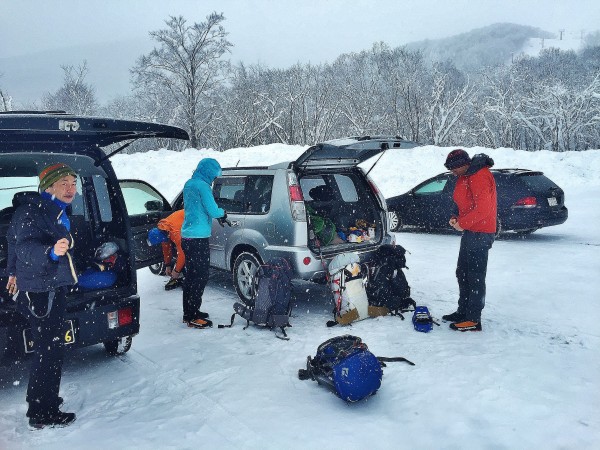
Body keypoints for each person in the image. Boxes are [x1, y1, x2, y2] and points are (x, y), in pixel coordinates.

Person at [7, 163, 79, 428]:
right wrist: (50, 252)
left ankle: (43, 400)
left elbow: (11, 241)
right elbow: (25, 248)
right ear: (49, 187)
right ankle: (42, 412)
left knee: (49, 348)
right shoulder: (33, 212)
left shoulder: (51, 210)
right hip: (41, 293)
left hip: (46, 286)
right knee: (49, 351)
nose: (71, 189)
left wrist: (11, 272)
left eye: (73, 183)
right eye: (64, 184)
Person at [442, 149, 497, 332]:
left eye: (453, 168)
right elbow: (462, 201)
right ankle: (463, 311)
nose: (452, 172)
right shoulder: (466, 176)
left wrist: (462, 223)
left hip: (480, 233)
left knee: (475, 277)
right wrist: (455, 216)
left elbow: (484, 209)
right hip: (471, 231)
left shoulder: (480, 176)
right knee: (462, 273)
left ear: (463, 164)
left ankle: (473, 319)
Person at [180, 158, 226, 329]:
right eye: (214, 176)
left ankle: (189, 312)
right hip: (198, 238)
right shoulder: (203, 186)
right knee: (200, 277)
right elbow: (213, 210)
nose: (214, 179)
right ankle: (193, 316)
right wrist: (223, 213)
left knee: (191, 276)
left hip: (187, 236)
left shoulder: (189, 184)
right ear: (208, 172)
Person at [147, 209, 186, 291]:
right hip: (186, 219)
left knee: (188, 252)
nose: (163, 242)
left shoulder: (176, 233)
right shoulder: (164, 227)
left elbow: (182, 254)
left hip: (198, 220)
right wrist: (167, 265)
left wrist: (176, 271)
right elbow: (166, 248)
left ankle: (189, 277)